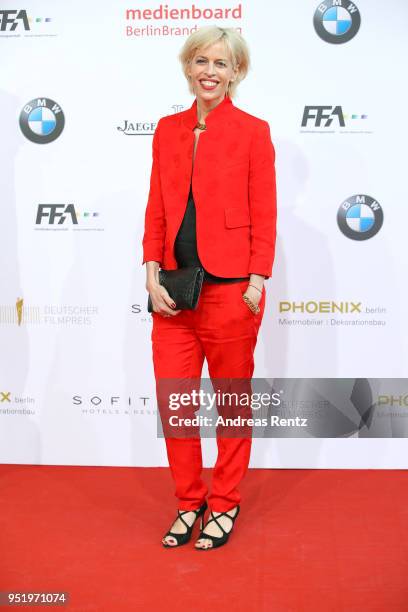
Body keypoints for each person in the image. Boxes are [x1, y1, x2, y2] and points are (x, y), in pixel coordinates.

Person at [142, 26, 277, 550]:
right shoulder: (166, 128)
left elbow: (263, 209)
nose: (210, 72)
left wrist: (258, 278)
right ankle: (188, 500)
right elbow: (157, 205)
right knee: (175, 404)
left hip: (231, 292)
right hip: (173, 292)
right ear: (187, 66)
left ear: (236, 73)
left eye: (222, 64)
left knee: (231, 404)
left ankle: (224, 503)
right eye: (201, 61)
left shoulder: (252, 131)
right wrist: (150, 270)